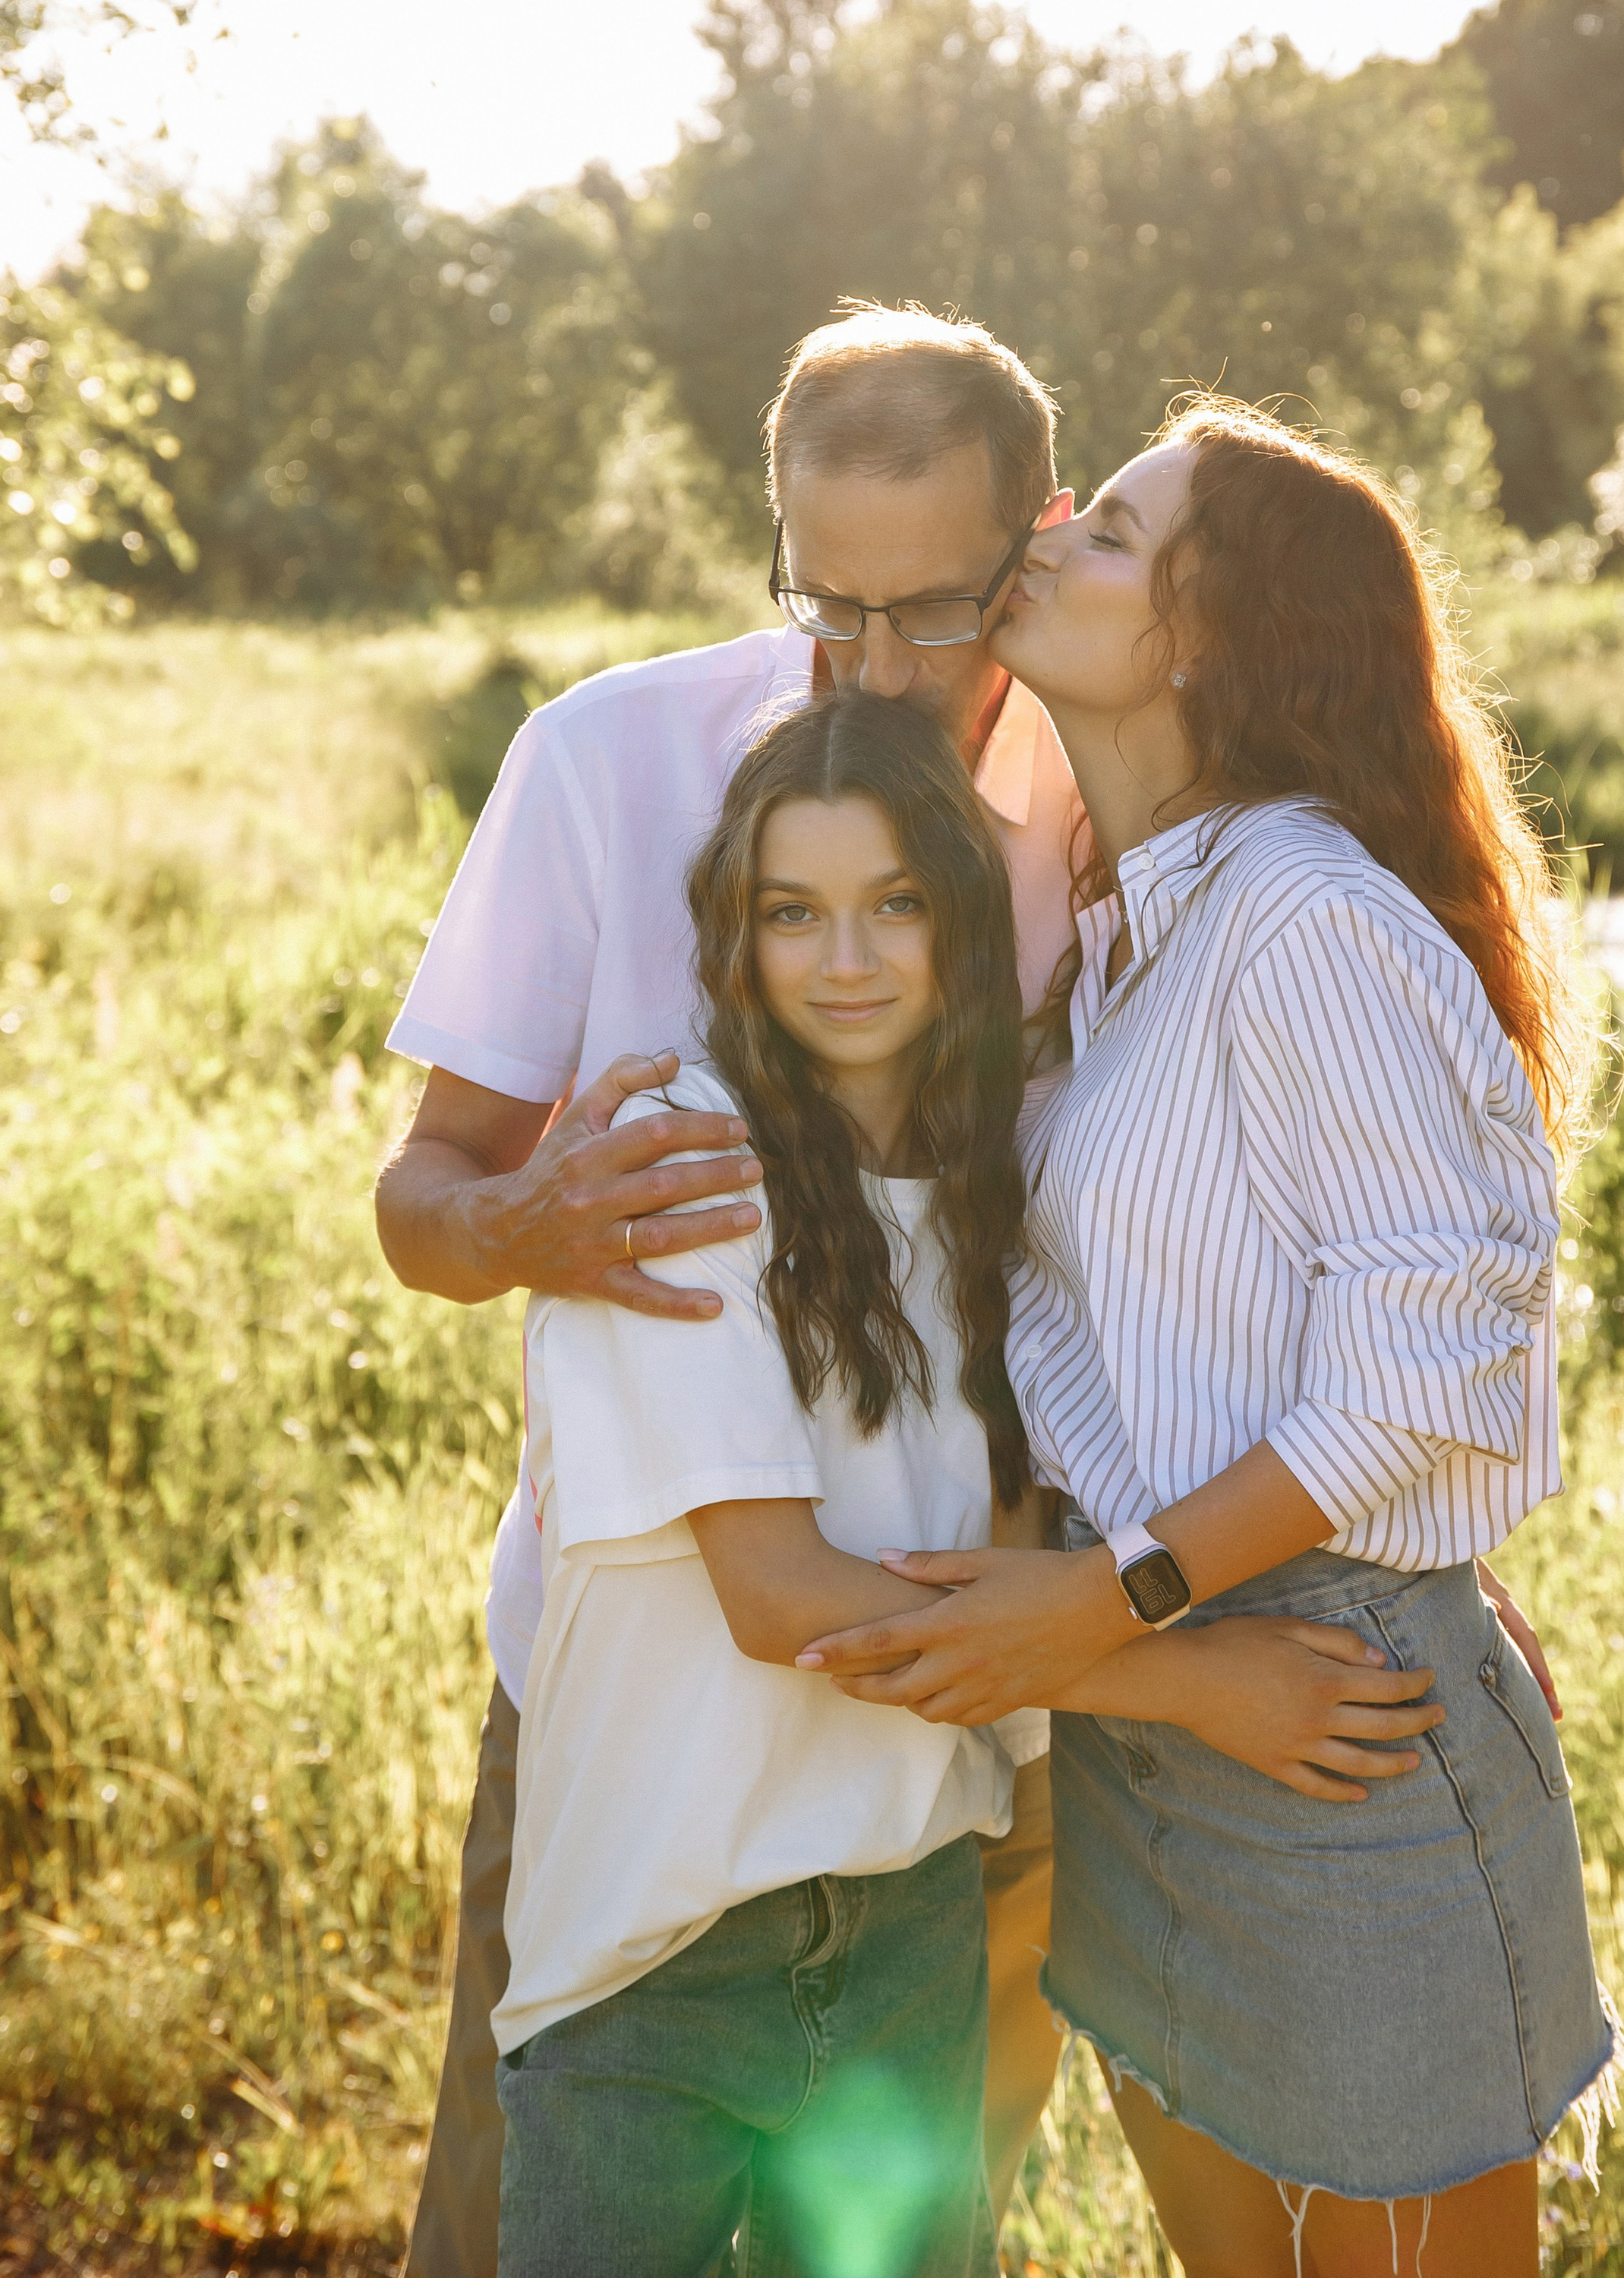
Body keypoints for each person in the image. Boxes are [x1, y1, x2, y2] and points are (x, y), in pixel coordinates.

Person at [378, 315, 1490, 2275]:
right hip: (651, 1721)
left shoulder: (1121, 802)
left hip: (990, 1723)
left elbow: (1274, 1248)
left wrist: (1399, 1557)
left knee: (901, 2230)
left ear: (1039, 546)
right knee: (521, 2222)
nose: (881, 669)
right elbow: (424, 1196)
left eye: (939, 609)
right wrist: (527, 1223)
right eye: (830, 605)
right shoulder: (601, 759)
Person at [799, 397, 1622, 2278]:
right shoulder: (1132, 926)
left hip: (1331, 1727)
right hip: (1162, 1717)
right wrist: (1117, 1624)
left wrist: (1115, 1606)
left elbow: (1422, 1373)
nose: (1059, 531)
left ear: (1206, 632)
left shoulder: (1303, 918)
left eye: (1116, 532)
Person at [496, 693, 1036, 2274]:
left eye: (894, 906)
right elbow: (782, 1599)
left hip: (909, 1929)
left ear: (957, 918)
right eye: (791, 913)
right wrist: (1191, 1674)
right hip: (659, 1950)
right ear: (735, 934)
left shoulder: (988, 1192)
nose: (845, 961)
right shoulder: (680, 1164)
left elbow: (1008, 1576)